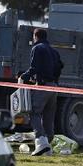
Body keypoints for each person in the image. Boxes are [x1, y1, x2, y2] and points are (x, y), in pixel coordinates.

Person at [19, 28, 62, 156]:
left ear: (35, 36)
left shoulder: (37, 48)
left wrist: (23, 77)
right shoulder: (54, 51)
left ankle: (41, 142)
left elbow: (34, 67)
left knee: (34, 112)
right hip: (54, 87)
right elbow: (59, 67)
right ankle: (48, 143)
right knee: (49, 115)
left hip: (42, 85)